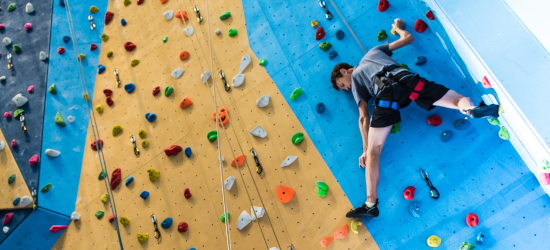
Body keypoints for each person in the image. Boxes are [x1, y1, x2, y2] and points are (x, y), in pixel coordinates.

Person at [330, 18, 501, 218]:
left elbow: (363, 117)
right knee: (458, 100)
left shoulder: (357, 76)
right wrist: (398, 28)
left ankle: (370, 204)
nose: (347, 88)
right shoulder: (374, 51)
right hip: (408, 80)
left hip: (385, 95)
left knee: (374, 152)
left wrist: (365, 148)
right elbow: (408, 39)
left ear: (344, 70)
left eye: (343, 84)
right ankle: (471, 109)